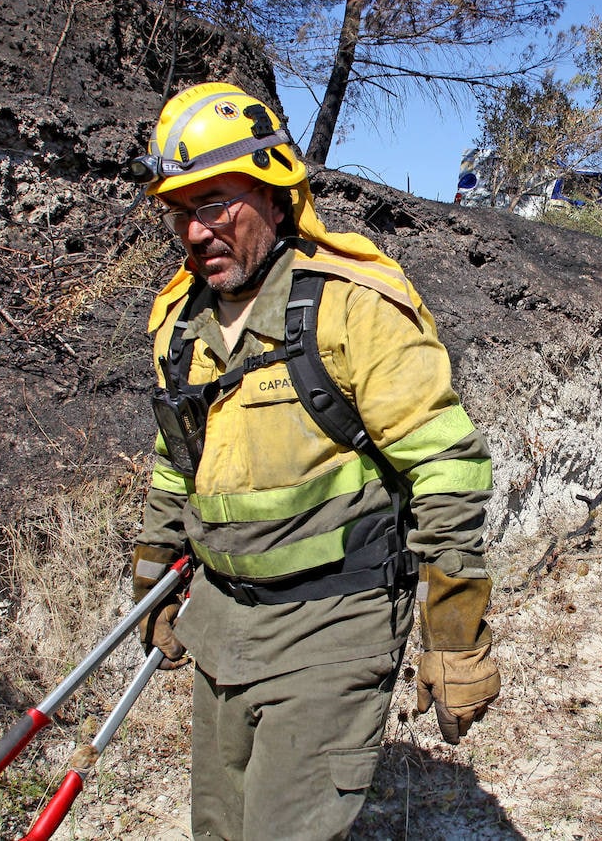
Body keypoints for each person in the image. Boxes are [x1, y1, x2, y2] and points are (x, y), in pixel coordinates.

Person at [126, 82, 499, 840]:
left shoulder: (353, 307)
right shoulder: (179, 323)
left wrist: (454, 634)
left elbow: (445, 470)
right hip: (224, 620)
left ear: (274, 191)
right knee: (219, 830)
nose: (196, 232)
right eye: (178, 211)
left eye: (215, 203)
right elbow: (177, 460)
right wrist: (155, 566)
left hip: (335, 620)